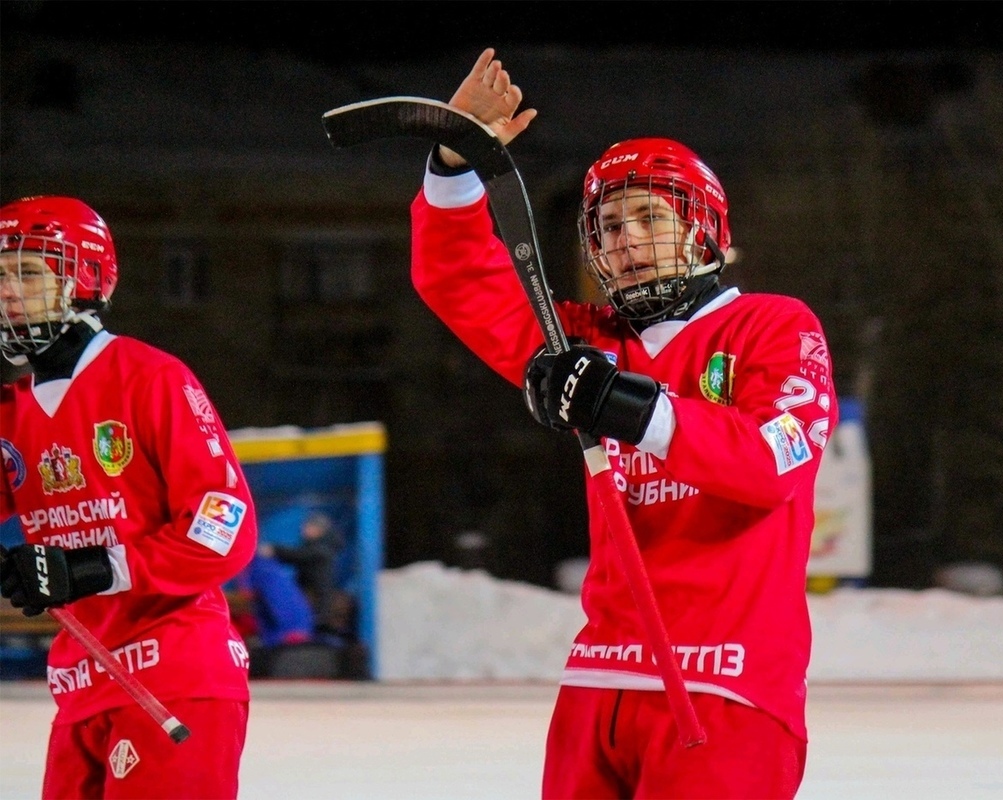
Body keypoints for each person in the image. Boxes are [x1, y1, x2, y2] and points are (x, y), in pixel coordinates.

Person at [409, 49, 839, 799]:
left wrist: (627, 410)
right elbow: (459, 279)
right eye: (607, 226)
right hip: (599, 680)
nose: (624, 241)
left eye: (648, 217)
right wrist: (456, 161)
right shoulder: (588, 342)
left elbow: (775, 465)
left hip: (726, 687)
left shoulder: (774, 325)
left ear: (704, 232)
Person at [0, 196, 257, 799]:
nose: (9, 291)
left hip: (174, 677)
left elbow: (225, 524)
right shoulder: (12, 411)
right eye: (1, 274)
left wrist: (90, 569)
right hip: (81, 686)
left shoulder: (150, 377)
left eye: (29, 272)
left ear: (84, 277)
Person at [258, 511, 345, 642]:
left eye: (308, 527)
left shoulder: (322, 549)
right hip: (314, 604)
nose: (303, 530)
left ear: (319, 530)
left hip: (320, 606)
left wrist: (274, 550)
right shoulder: (318, 546)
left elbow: (299, 555)